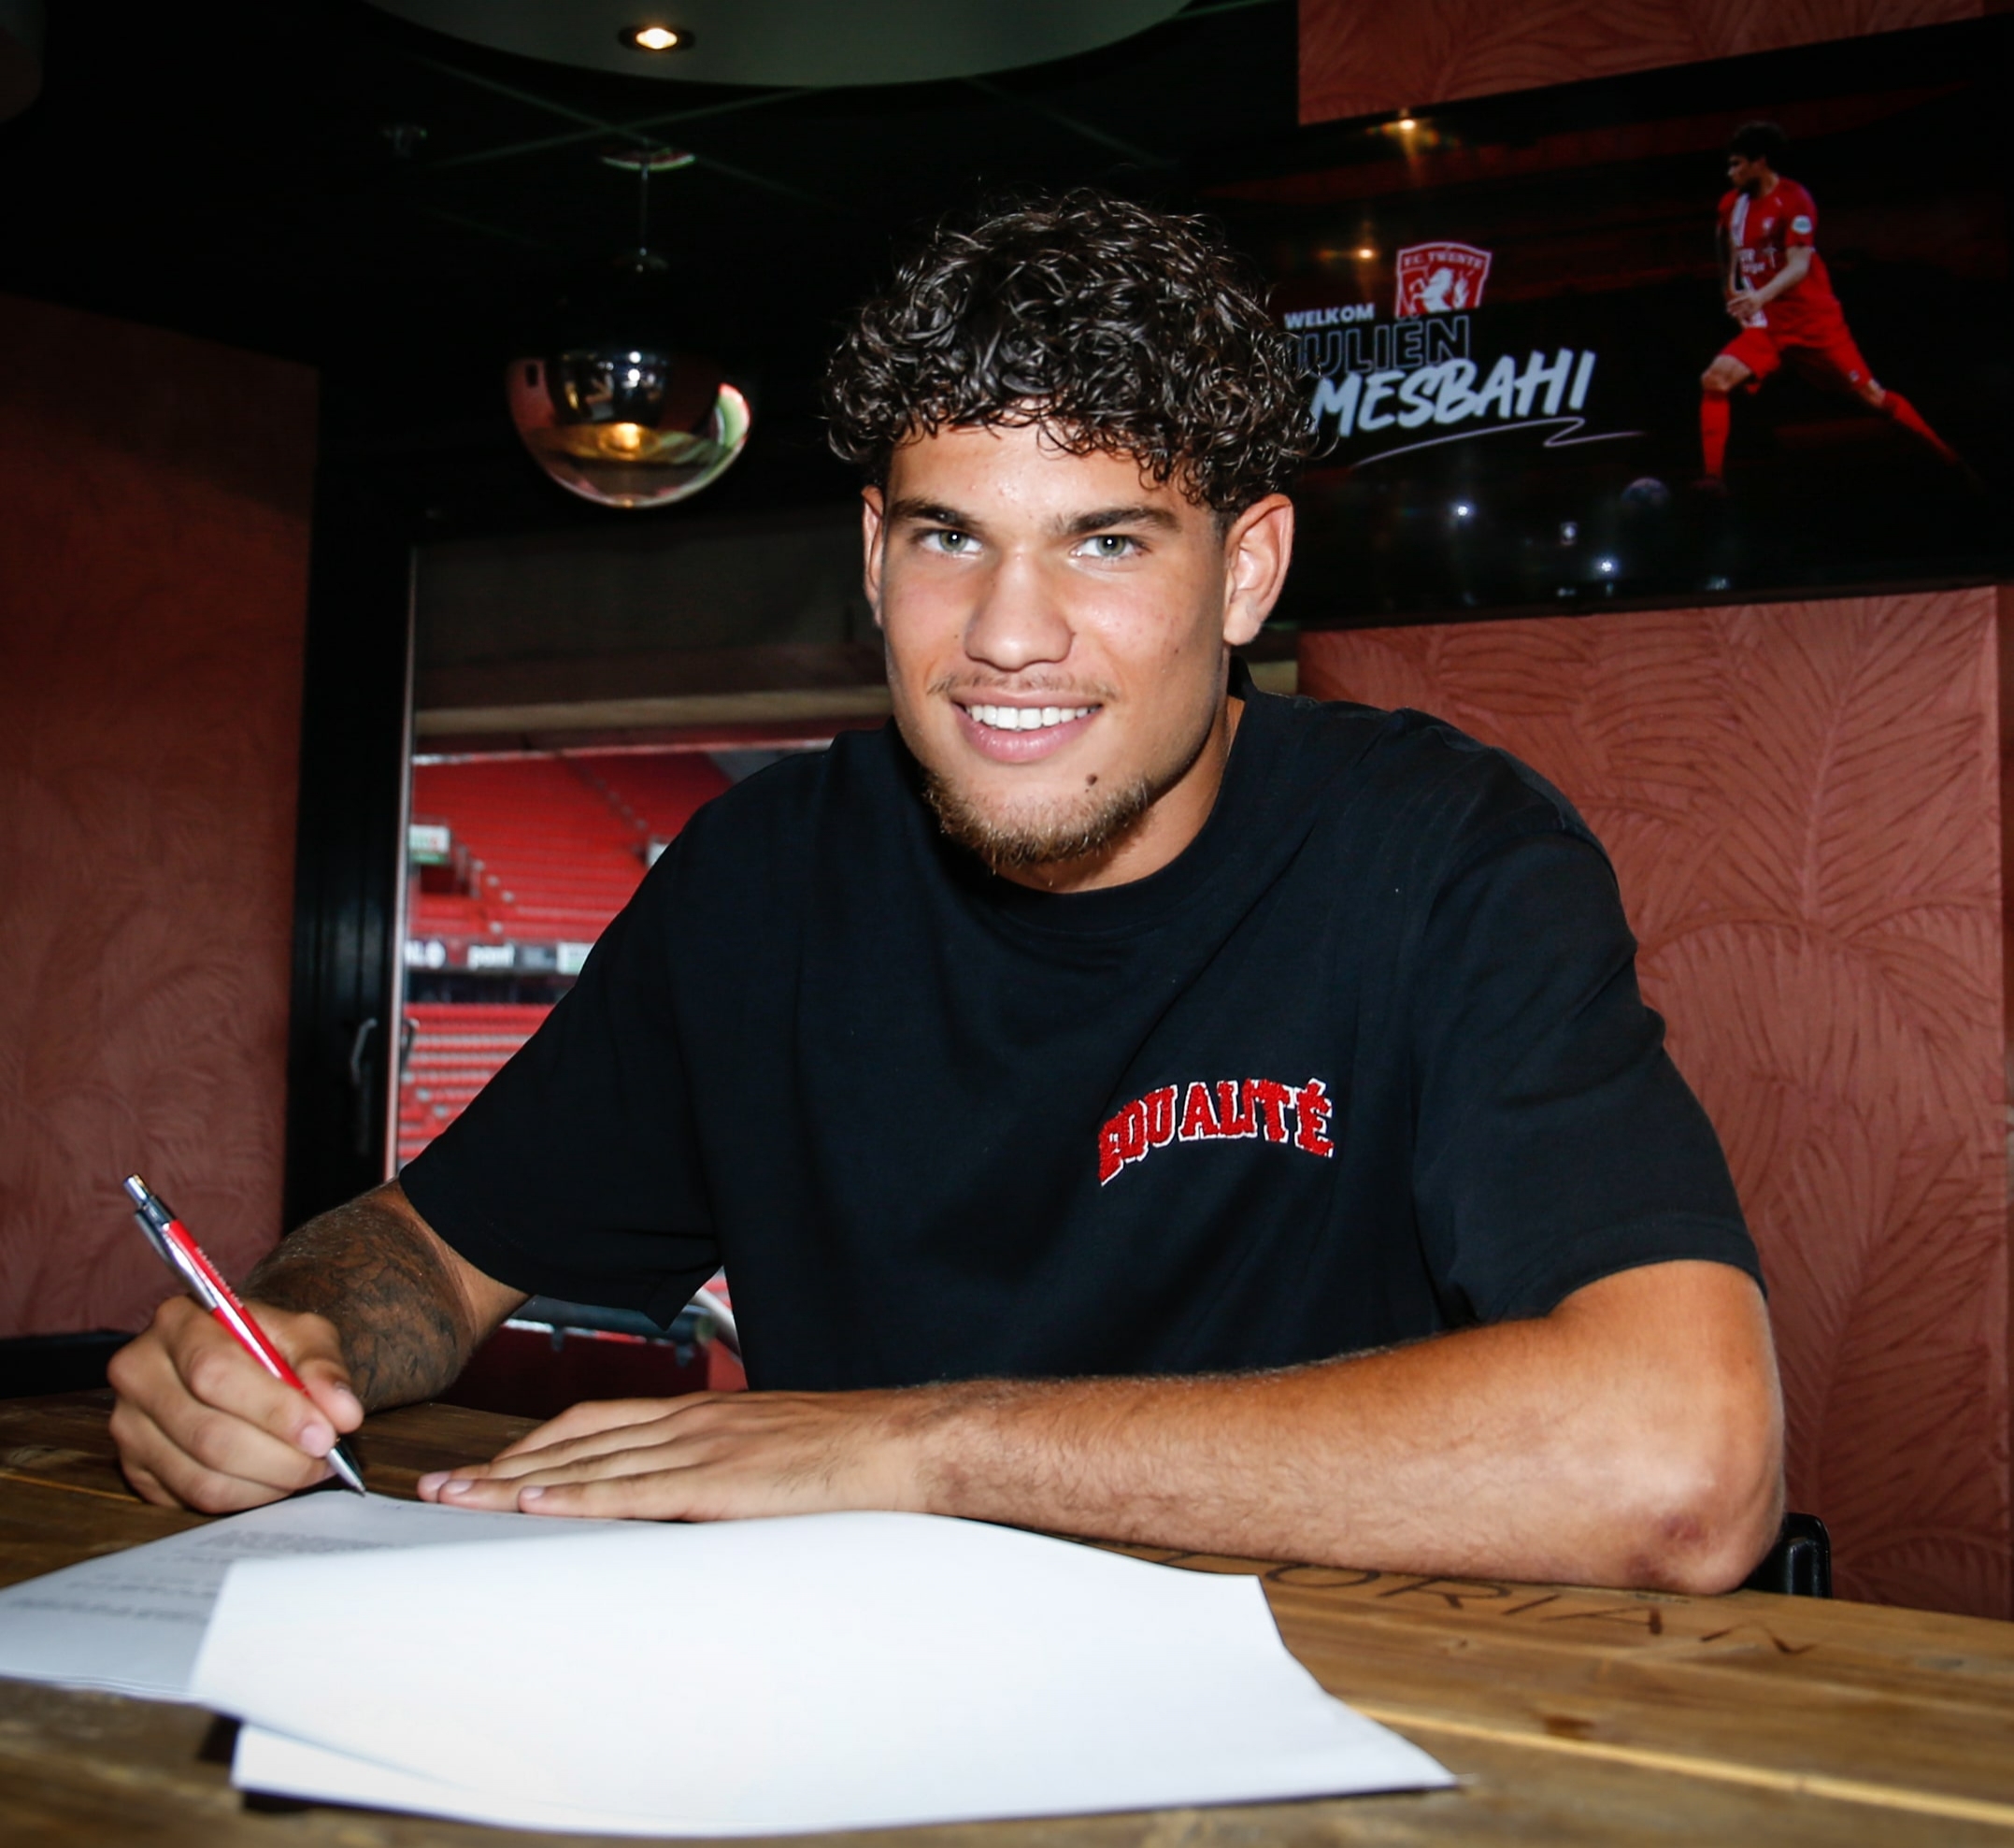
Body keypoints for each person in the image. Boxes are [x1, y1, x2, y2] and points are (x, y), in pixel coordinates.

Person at [110, 192, 1783, 1593]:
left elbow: (1682, 1468)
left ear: (1248, 571)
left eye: (1107, 541)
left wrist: (920, 1445)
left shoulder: (1445, 856)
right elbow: (425, 1248)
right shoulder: (760, 880)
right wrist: (283, 1343)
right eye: (947, 537)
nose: (1007, 633)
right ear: (870, 554)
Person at [1699, 121, 1960, 485]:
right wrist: (1730, 286)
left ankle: (1949, 460)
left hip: (1813, 324)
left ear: (1760, 162)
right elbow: (1725, 243)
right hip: (1768, 326)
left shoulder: (1794, 199)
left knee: (1872, 398)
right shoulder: (1732, 205)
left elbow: (1799, 265)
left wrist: (1758, 295)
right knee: (1715, 379)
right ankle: (1713, 481)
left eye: (1737, 164)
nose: (1731, 173)